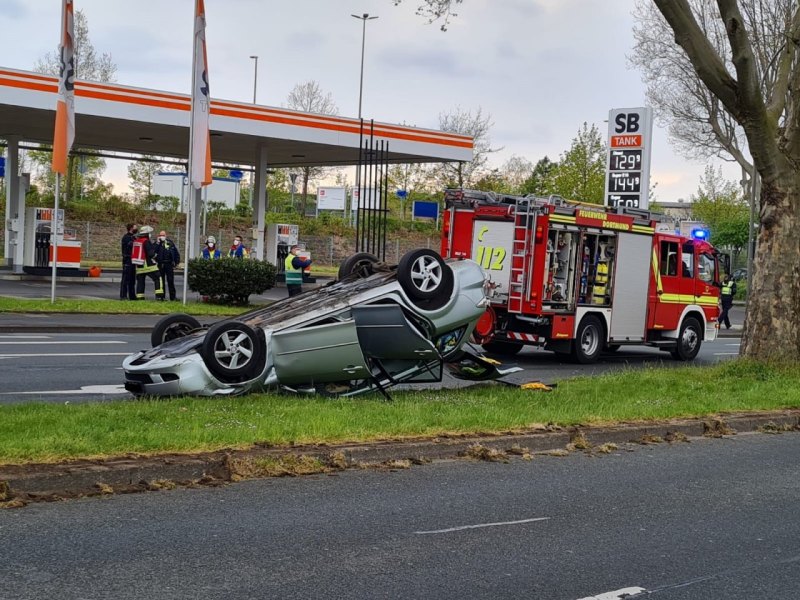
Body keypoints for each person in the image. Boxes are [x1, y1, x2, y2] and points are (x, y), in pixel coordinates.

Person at [133, 225, 165, 301]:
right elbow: (151, 254)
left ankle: (140, 298)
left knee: (140, 282)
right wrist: (155, 255)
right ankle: (159, 297)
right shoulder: (146, 241)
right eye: (150, 233)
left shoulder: (137, 241)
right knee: (158, 278)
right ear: (147, 234)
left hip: (139, 266)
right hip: (148, 265)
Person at [156, 229, 181, 301]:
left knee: (170, 281)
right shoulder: (157, 244)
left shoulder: (170, 243)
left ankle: (173, 297)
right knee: (161, 282)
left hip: (169, 264)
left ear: (166, 236)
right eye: (161, 235)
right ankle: (161, 297)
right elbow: (153, 251)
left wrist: (176, 262)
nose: (162, 236)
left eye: (163, 235)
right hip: (161, 264)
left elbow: (176, 253)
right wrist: (158, 243)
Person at [119, 223, 138, 300]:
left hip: (133, 261)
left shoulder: (133, 238)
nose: (136, 229)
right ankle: (123, 296)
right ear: (131, 228)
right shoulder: (126, 238)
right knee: (125, 279)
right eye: (135, 227)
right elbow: (130, 246)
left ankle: (132, 295)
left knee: (132, 280)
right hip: (127, 260)